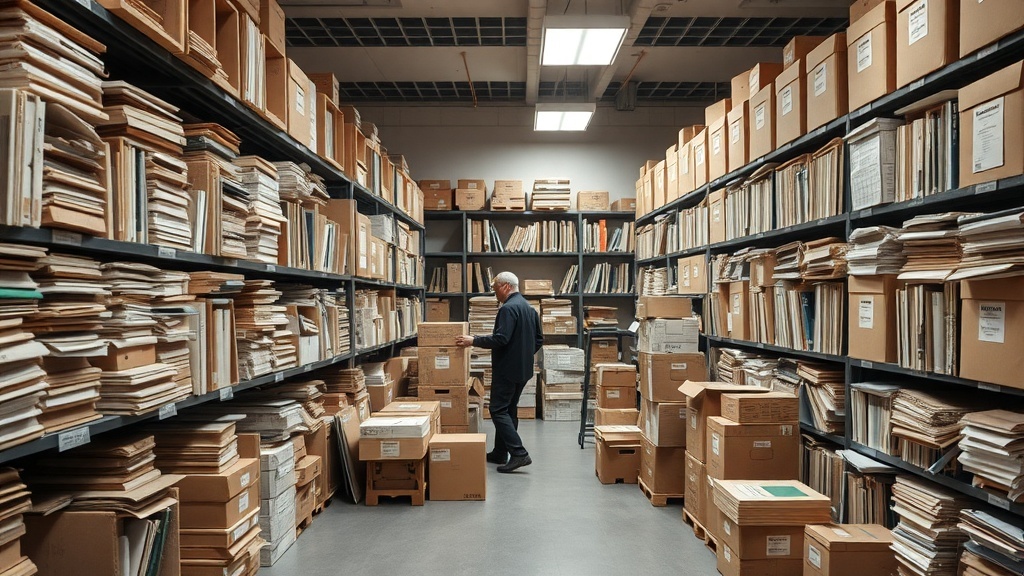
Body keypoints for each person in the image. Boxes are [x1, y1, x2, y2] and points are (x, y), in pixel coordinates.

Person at [455, 271, 542, 473]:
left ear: (505, 287)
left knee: (497, 409)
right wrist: (523, 355)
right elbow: (538, 340)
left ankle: (519, 453)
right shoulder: (529, 309)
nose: (495, 294)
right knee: (509, 409)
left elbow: (501, 338)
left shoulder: (508, 309)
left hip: (507, 369)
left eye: (495, 289)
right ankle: (500, 453)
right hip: (523, 369)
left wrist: (473, 340)